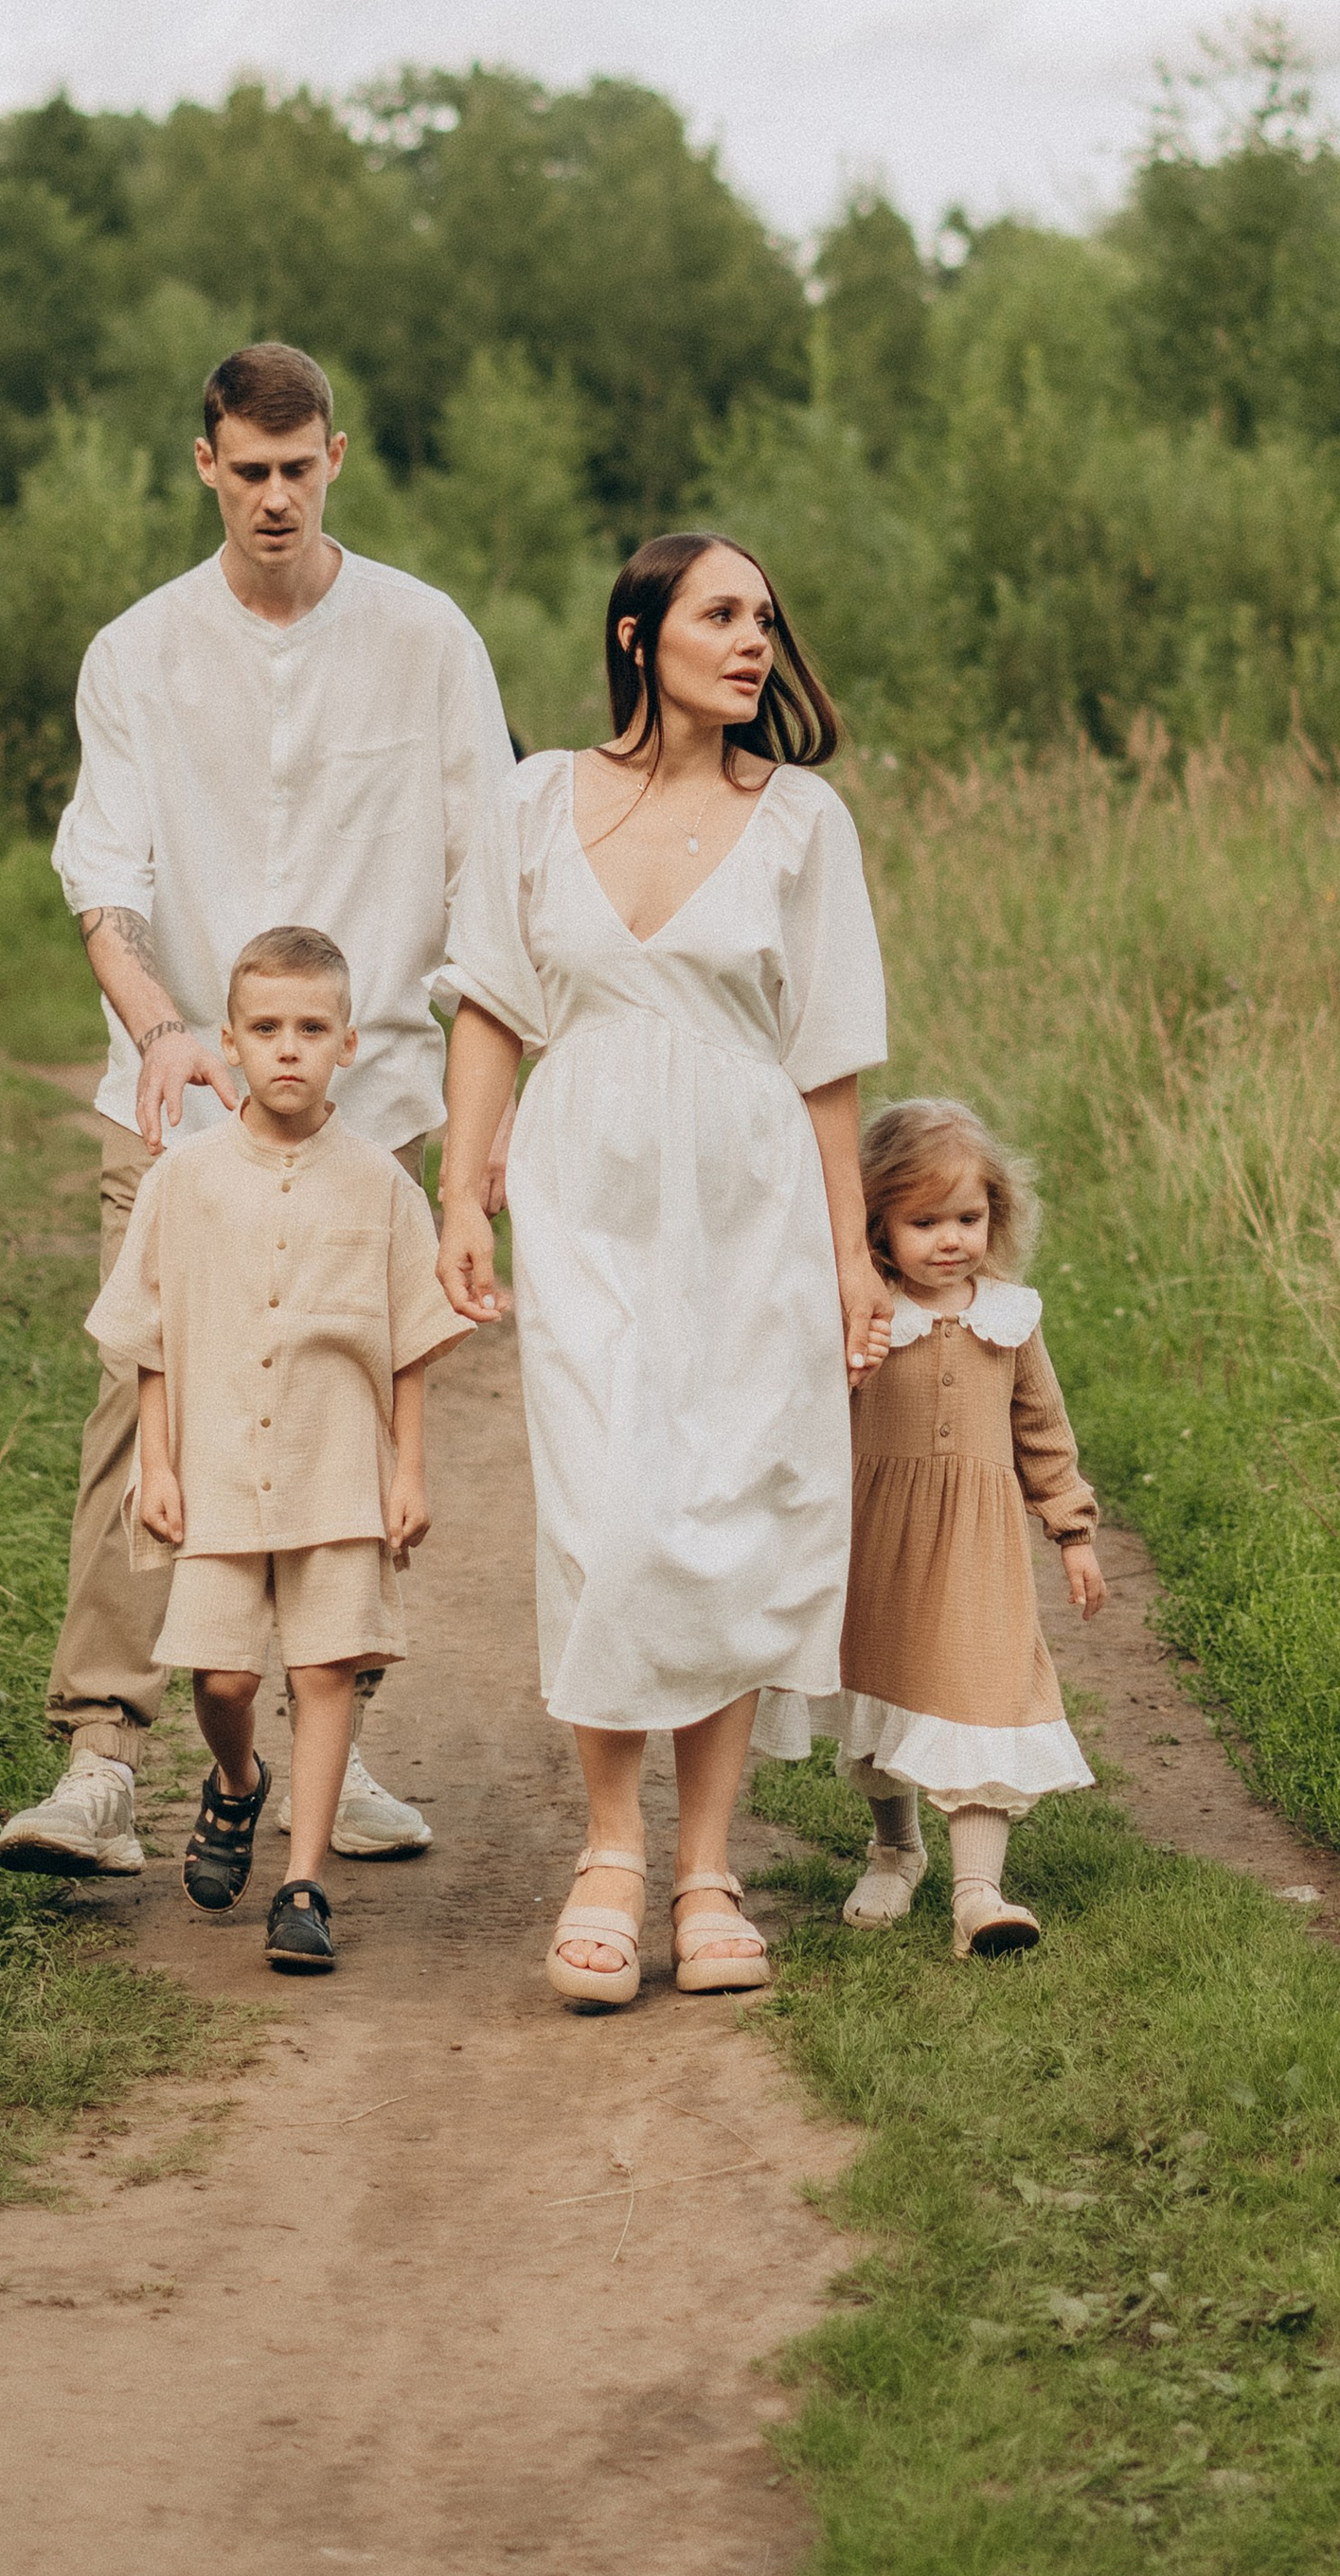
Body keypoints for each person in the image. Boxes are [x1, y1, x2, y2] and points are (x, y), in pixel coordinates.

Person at [0, 340, 514, 1880]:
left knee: (342, 1412)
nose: (275, 497)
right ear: (204, 464)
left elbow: (490, 878)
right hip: (177, 1104)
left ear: (335, 459)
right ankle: (101, 1757)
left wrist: (477, 1137)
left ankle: (327, 1756)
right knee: (140, 1394)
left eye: (299, 470)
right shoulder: (138, 652)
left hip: (372, 1102)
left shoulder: (426, 638)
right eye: (248, 470)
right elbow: (104, 878)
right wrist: (163, 1030)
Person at [435, 531, 893, 2009]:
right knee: (611, 1513)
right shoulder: (535, 800)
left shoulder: (802, 820)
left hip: (752, 1196)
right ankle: (607, 1851)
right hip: (587, 1189)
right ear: (640, 635)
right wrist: (460, 1191)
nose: (754, 640)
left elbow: (829, 1057)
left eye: (765, 617)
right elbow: (491, 1007)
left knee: (729, 1521)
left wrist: (850, 1257)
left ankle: (705, 1871)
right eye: (720, 613)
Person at [90, 927, 472, 1973]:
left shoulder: (381, 1185)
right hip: (215, 1466)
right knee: (222, 1678)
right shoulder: (186, 1179)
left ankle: (302, 1884)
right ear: (230, 1041)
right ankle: (236, 1783)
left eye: (311, 1028)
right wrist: (156, 1464)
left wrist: (408, 1471)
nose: (288, 1048)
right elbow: (151, 1337)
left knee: (324, 1670)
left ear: (349, 1042)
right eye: (266, 1028)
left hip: (336, 1466)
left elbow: (410, 1342)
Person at [759, 1096, 1104, 1958]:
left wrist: (1073, 1532)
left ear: (996, 1214)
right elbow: (805, 1416)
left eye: (968, 1218)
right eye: (924, 1222)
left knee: (982, 1693)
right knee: (890, 1688)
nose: (950, 1239)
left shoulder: (1011, 1317)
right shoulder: (865, 1312)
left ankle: (979, 1892)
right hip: (880, 1542)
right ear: (876, 1222)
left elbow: (1043, 1431)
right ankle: (896, 1848)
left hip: (980, 1552)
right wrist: (846, 1369)